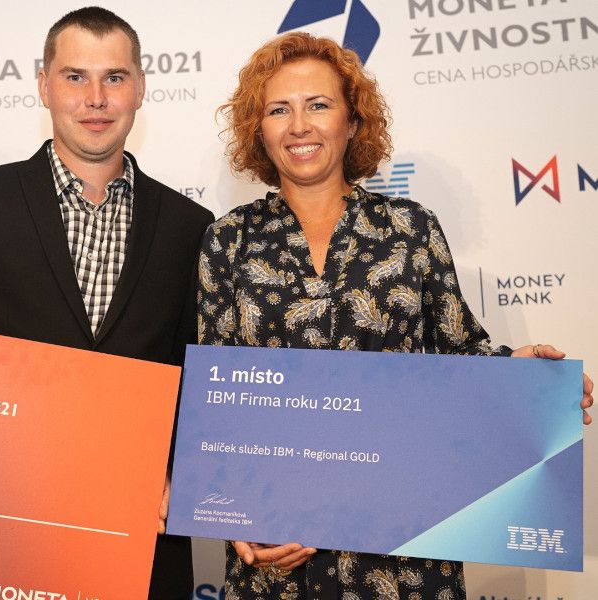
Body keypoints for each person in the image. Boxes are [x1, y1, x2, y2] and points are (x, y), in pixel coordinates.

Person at [197, 32, 593, 599]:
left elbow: (459, 352)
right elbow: (218, 402)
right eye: (278, 110)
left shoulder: (411, 228)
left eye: (318, 105)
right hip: (279, 549)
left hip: (405, 544)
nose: (299, 126)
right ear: (258, 130)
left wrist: (522, 376)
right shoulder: (228, 241)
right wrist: (238, 516)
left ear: (353, 122)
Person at [0, 7, 213, 599]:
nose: (96, 98)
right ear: (44, 86)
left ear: (139, 89)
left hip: (138, 537)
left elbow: (200, 378)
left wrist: (185, 472)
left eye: (114, 77)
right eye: (75, 76)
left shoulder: (192, 226)